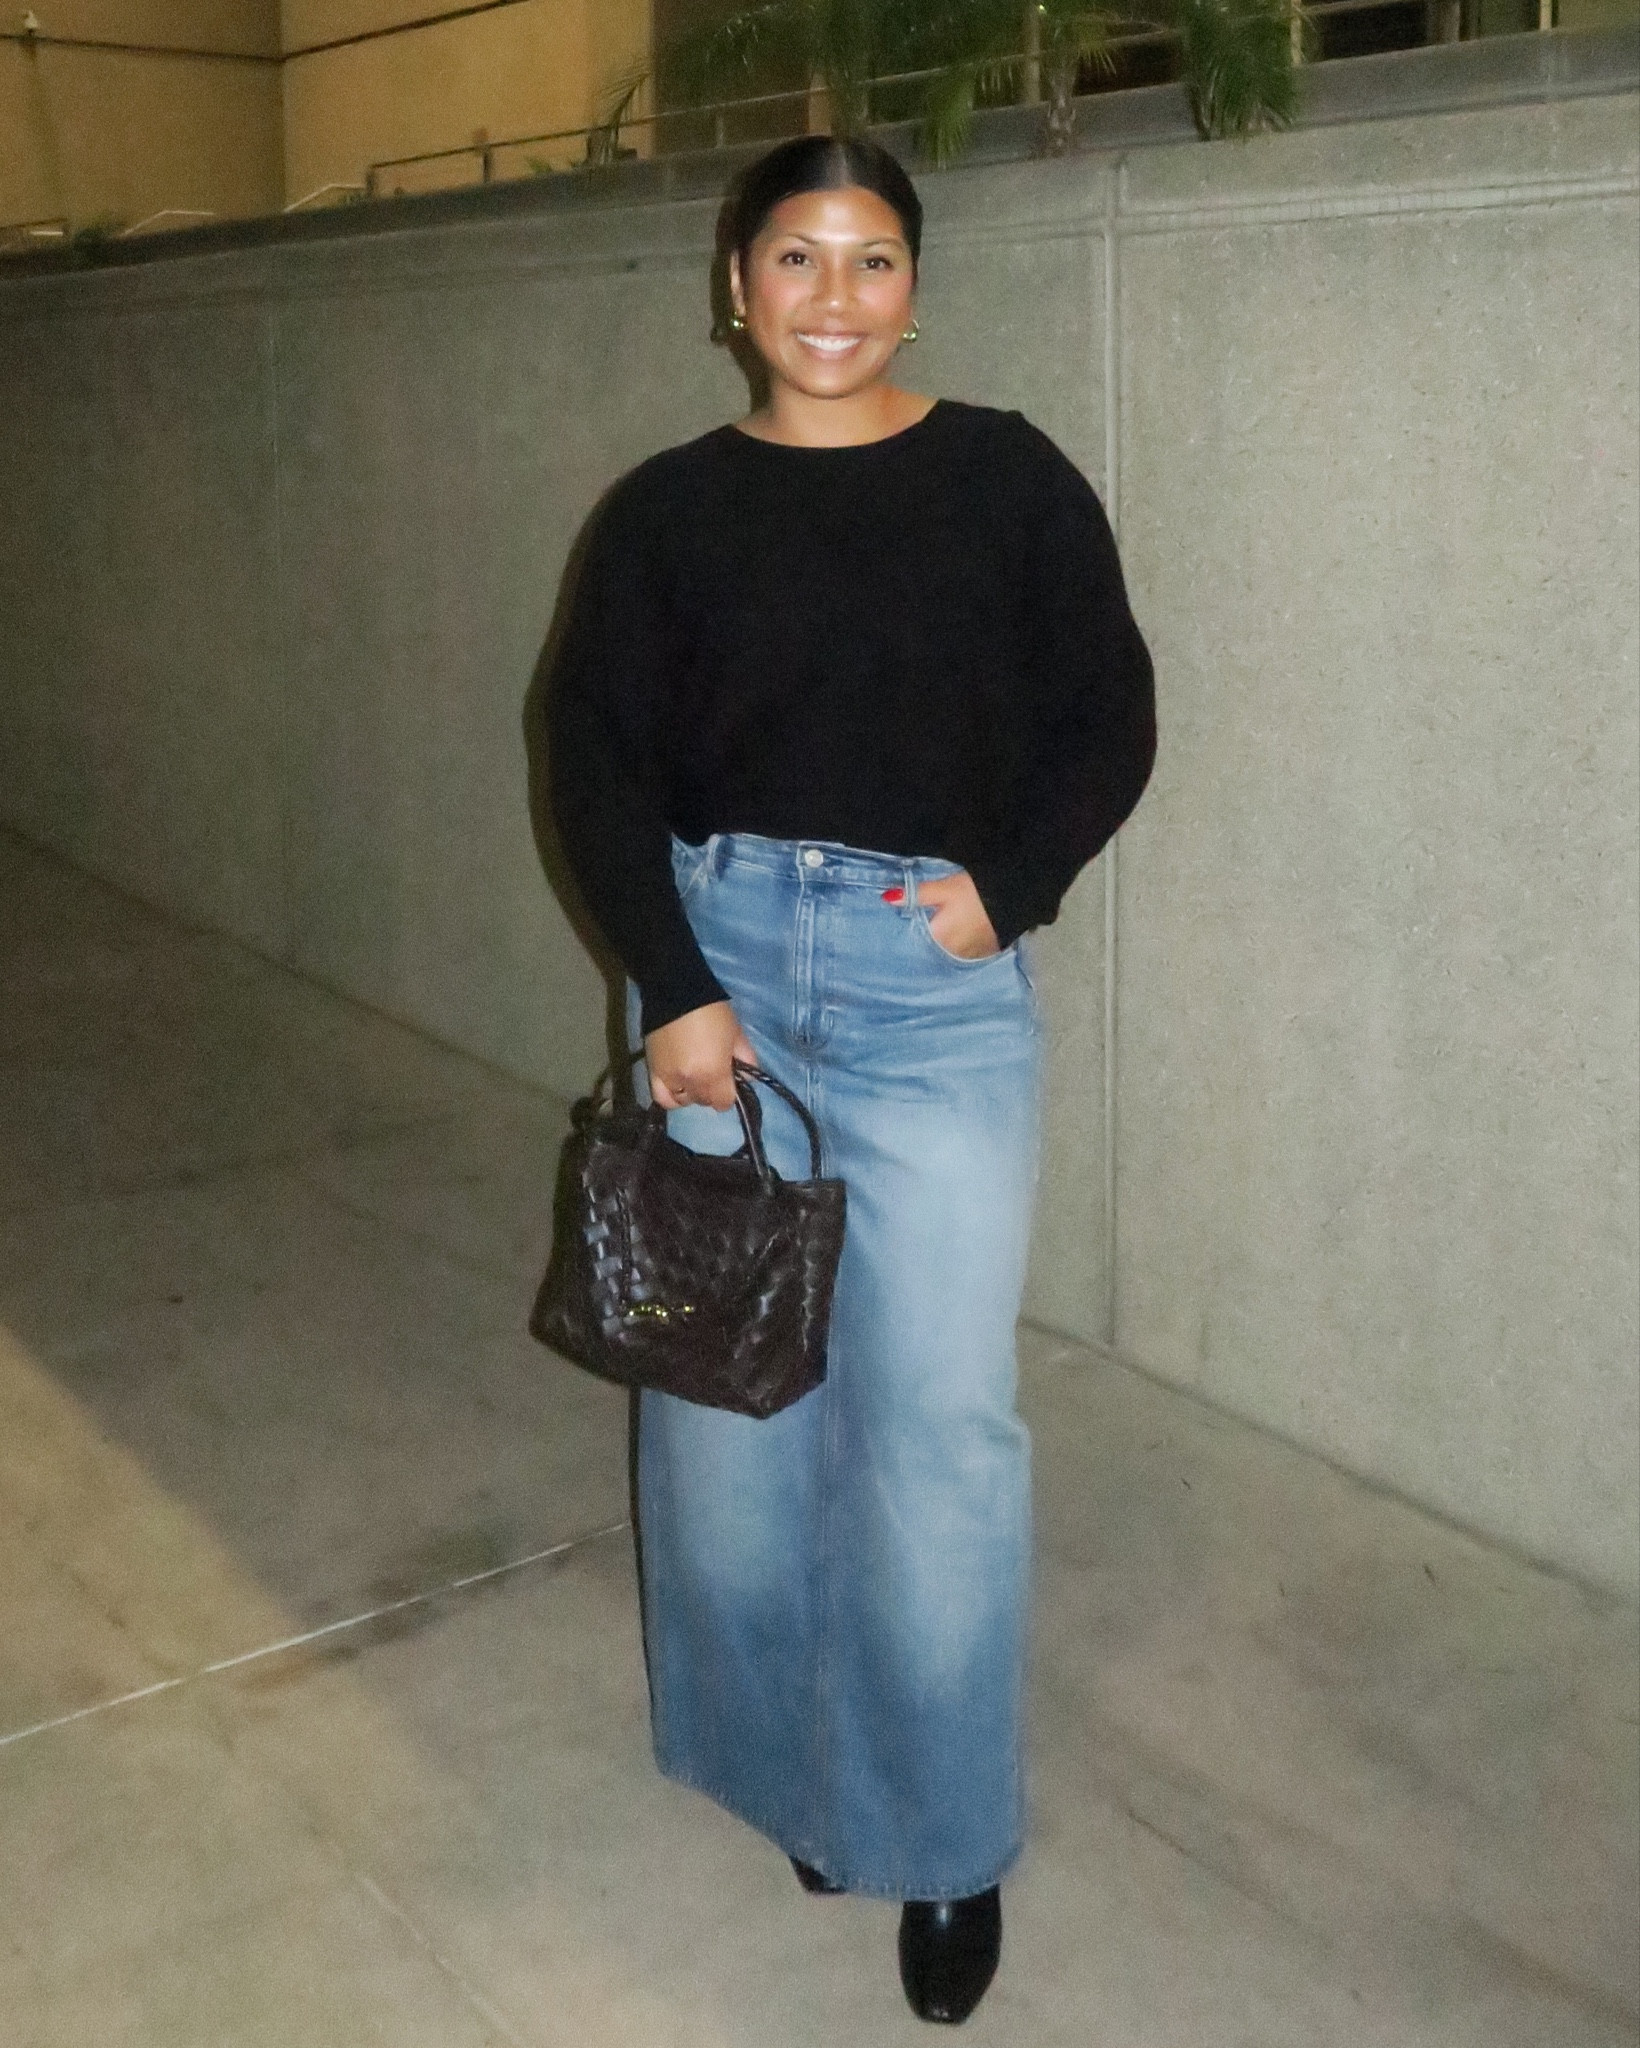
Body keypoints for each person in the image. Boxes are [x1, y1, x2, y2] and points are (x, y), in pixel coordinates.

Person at [543, 131, 1155, 2027]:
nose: (833, 295)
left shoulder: (1008, 476)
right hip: (721, 978)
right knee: (732, 1419)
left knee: (937, 1429)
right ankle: (802, 1773)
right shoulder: (666, 513)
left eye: (871, 257)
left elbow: (1112, 708)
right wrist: (673, 988)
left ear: (916, 284)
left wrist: (1006, 889)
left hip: (930, 993)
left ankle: (940, 1838)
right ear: (735, 287)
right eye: (795, 257)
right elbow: (593, 756)